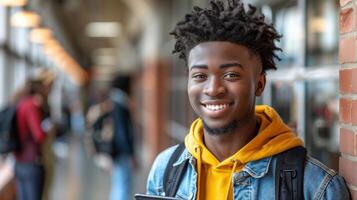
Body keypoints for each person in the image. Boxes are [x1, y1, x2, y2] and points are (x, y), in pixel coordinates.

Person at [146, 0, 351, 199]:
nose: (213, 89)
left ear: (260, 84)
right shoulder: (165, 171)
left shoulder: (314, 187)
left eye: (231, 75)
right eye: (200, 76)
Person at [88, 75, 136, 200]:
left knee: (117, 184)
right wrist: (130, 153)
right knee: (123, 185)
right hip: (120, 152)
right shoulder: (120, 105)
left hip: (114, 151)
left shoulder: (110, 103)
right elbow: (122, 132)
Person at [14, 72, 55, 200]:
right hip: (32, 163)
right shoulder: (32, 105)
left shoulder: (20, 103)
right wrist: (50, 130)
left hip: (19, 161)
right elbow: (39, 135)